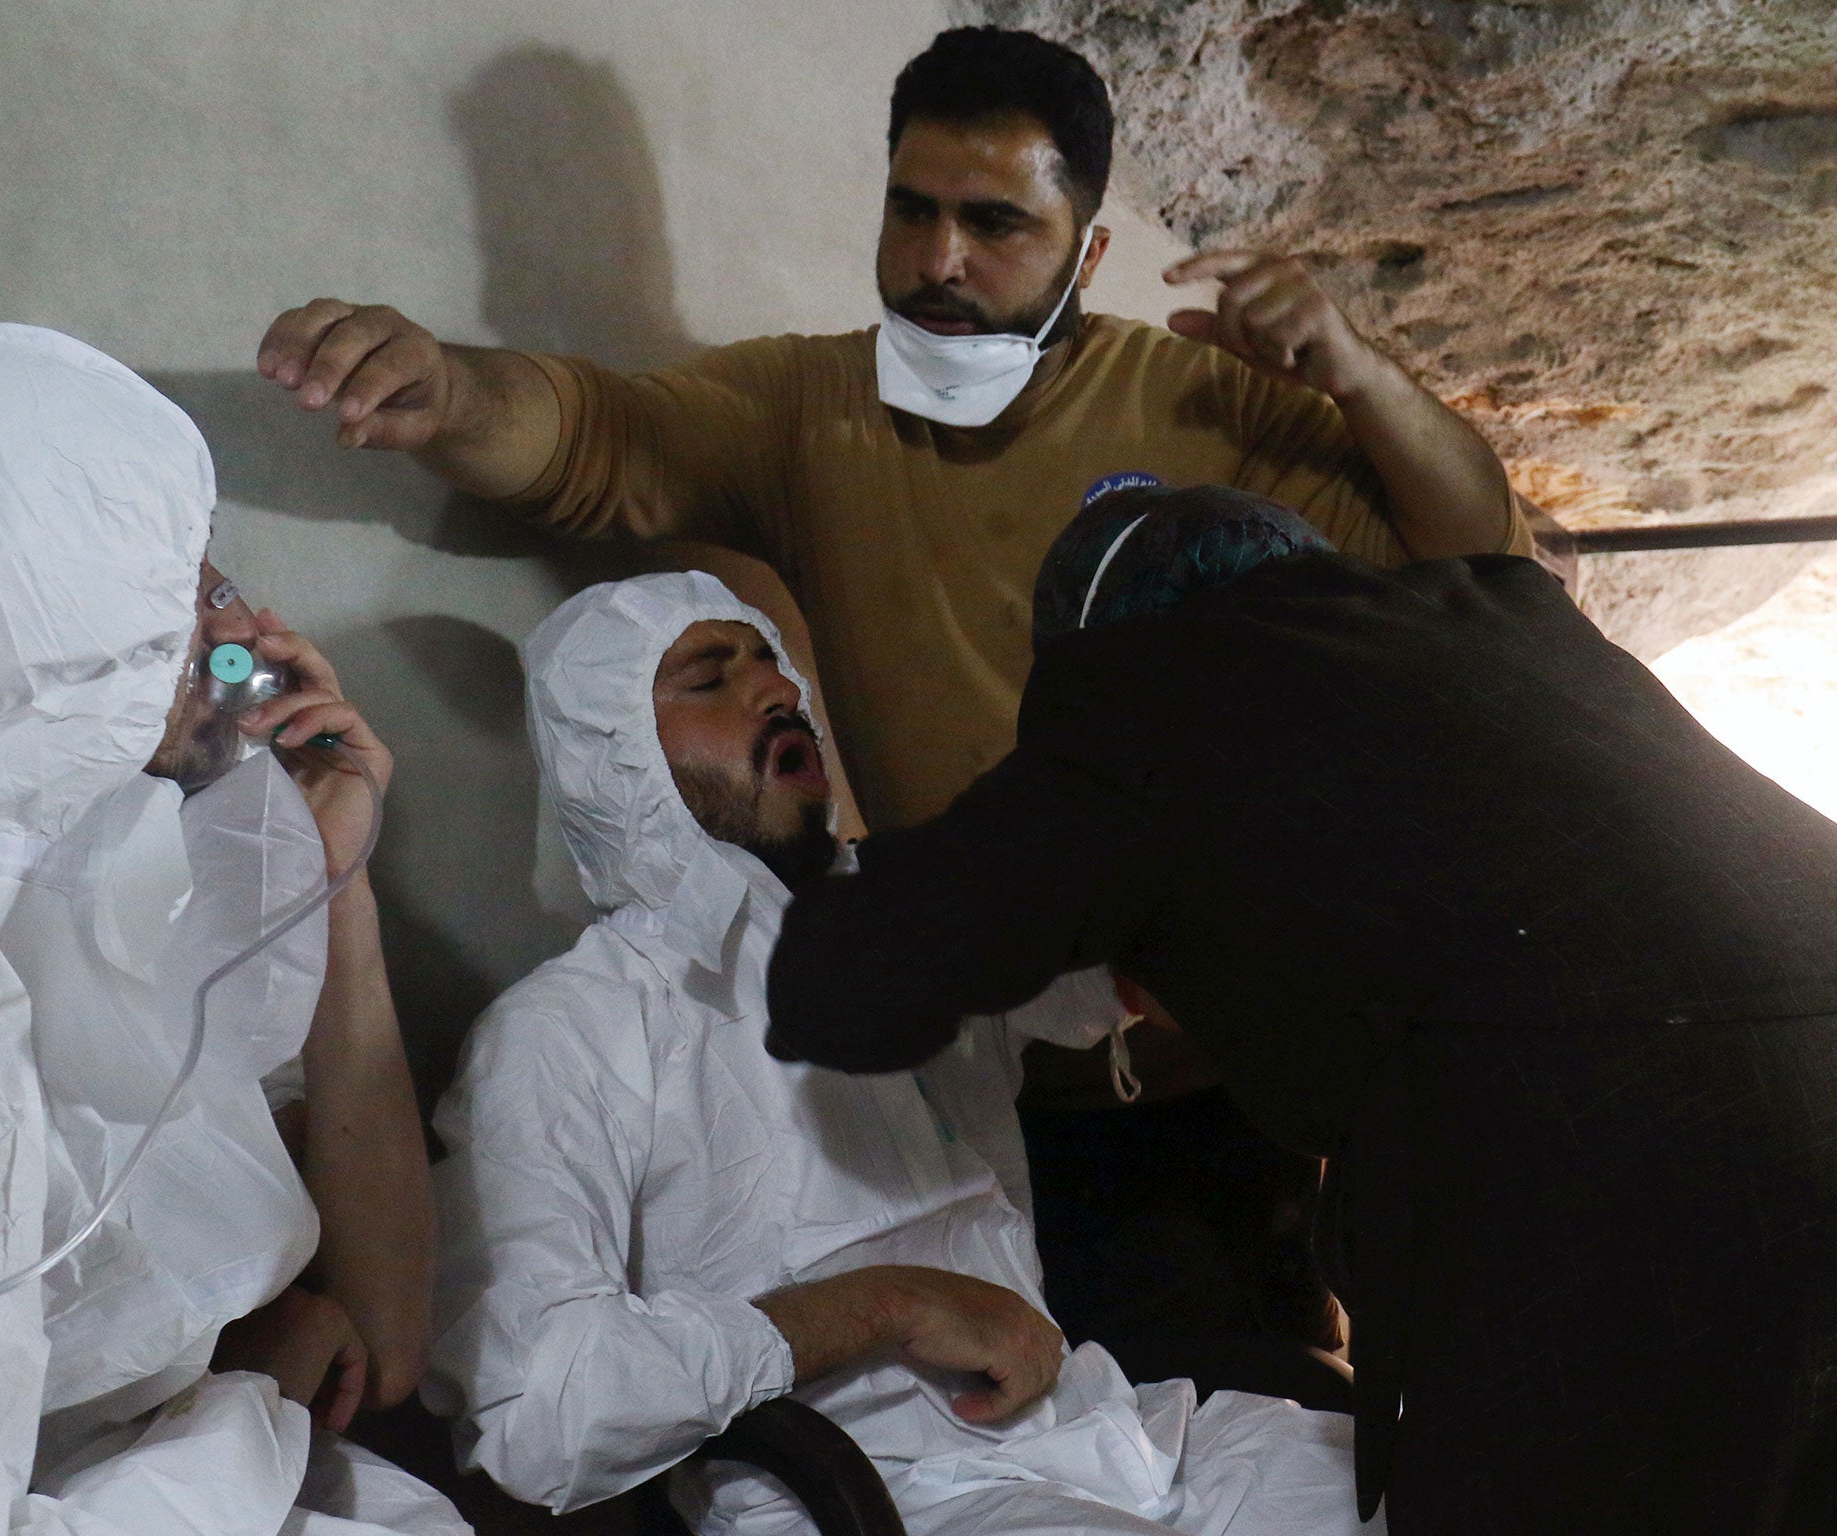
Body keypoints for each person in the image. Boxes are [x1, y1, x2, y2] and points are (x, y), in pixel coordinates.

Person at [764, 483, 1837, 1534]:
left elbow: (853, 987)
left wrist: (835, 878)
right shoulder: (1500, 617)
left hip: (1637, 1180)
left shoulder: (1149, 688)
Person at [256, 24, 1531, 835]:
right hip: (963, 1028)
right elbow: (598, 439)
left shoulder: (1200, 398)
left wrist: (1358, 374)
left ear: (1086, 251)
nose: (937, 260)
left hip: (1198, 1033)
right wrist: (444, 389)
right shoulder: (804, 406)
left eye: (994, 226)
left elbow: (1477, 562)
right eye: (910, 209)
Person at [423, 569, 1374, 1536]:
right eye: (710, 679)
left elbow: (1135, 957)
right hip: (872, 1505)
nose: (777, 692)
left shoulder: (897, 924)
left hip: (1111, 1438)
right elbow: (536, 1413)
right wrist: (881, 1305)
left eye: (771, 662)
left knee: (1466, 1472)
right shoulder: (563, 1034)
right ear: (611, 756)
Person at [0, 325, 457, 1535]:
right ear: (49, 631)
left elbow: (390, 1337)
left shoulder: (80, 899)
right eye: (180, 591)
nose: (239, 629)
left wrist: (336, 882)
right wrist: (245, 1410)